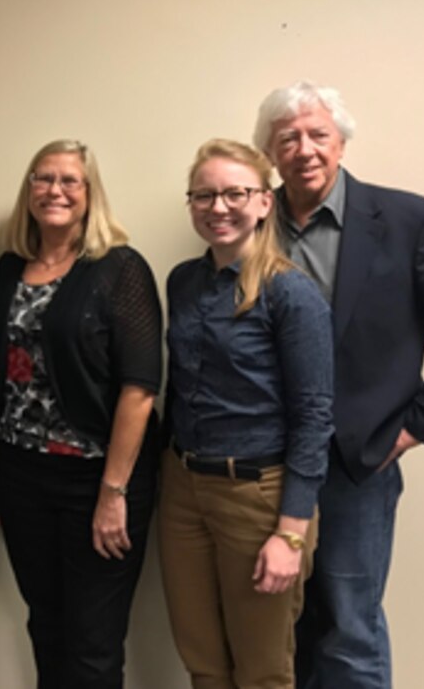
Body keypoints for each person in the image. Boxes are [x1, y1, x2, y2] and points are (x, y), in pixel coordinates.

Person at [253, 81, 424, 688]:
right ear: (269, 152)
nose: (304, 149)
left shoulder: (408, 220)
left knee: (348, 630)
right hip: (265, 467)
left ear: (341, 143)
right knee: (276, 631)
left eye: (318, 134)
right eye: (288, 138)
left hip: (356, 465)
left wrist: (416, 429)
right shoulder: (249, 218)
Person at [0, 139, 162, 689]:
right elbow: (1, 375)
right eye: (43, 178)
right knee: (47, 626)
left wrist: (114, 494)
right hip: (20, 474)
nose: (54, 190)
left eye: (69, 181)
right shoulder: (11, 267)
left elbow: (140, 388)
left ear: (89, 194)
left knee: (92, 643)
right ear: (28, 190)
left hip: (96, 480)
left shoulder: (118, 268)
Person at [159, 138, 333, 689]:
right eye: (204, 194)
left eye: (235, 193)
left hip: (259, 497)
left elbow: (313, 416)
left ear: (264, 202)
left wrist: (291, 533)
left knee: (262, 671)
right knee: (203, 661)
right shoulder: (182, 282)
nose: (218, 207)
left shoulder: (291, 293)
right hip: (184, 490)